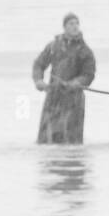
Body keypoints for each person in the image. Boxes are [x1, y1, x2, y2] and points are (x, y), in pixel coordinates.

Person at [32, 13, 95, 144]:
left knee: (72, 142)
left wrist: (77, 82)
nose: (75, 26)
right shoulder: (53, 46)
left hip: (74, 101)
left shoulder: (85, 51)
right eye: (71, 24)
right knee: (46, 140)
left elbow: (89, 74)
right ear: (64, 27)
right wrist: (39, 81)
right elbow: (39, 64)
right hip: (53, 97)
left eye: (77, 23)